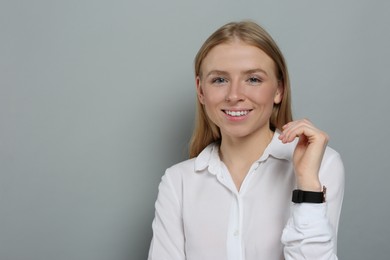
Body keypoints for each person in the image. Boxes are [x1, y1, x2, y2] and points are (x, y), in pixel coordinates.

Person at [148, 21, 344, 260]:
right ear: (201, 90)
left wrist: (307, 187)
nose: (234, 95)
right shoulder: (178, 182)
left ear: (278, 89)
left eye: (253, 79)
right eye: (220, 80)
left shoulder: (322, 165)